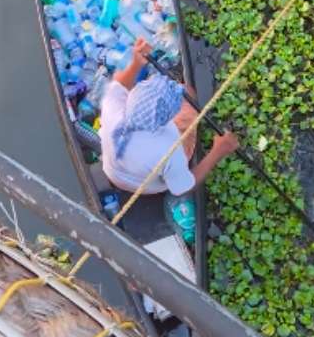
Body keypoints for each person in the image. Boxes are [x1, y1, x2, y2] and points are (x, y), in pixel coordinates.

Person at [99, 37, 240, 239]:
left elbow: (119, 83)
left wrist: (137, 62)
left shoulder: (112, 107)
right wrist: (219, 150)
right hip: (146, 187)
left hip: (113, 172)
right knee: (189, 94)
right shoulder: (168, 146)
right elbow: (185, 186)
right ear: (165, 119)